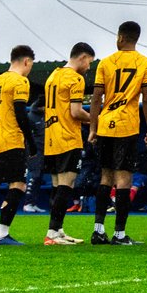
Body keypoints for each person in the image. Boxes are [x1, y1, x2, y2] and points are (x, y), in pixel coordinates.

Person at [90, 21, 147, 246]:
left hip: (105, 123)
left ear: (120, 37)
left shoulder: (105, 63)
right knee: (124, 178)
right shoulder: (146, 63)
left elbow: (96, 98)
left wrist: (92, 128)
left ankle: (98, 230)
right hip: (126, 125)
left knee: (105, 176)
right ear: (136, 38)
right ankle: (119, 234)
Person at [37, 41, 95, 245]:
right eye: (89, 62)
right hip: (68, 137)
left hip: (51, 137)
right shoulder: (74, 78)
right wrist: (96, 121)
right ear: (82, 57)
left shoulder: (53, 75)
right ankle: (52, 233)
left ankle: (57, 231)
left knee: (56, 185)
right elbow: (76, 112)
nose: (89, 67)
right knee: (66, 184)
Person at [0, 46, 37, 245]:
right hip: (10, 139)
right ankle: (2, 233)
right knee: (18, 184)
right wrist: (31, 141)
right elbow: (21, 113)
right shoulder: (20, 81)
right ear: (27, 62)